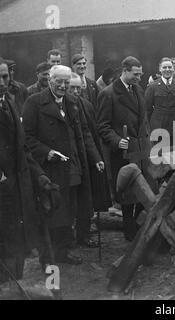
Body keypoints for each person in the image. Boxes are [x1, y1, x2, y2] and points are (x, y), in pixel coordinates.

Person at [23, 65, 103, 264]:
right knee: (53, 209)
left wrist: (96, 158)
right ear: (49, 80)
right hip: (49, 167)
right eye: (58, 81)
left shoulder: (73, 102)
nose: (63, 85)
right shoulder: (34, 102)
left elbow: (84, 133)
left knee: (70, 208)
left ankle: (64, 250)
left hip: (73, 164)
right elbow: (26, 137)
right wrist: (46, 152)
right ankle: (50, 255)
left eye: (66, 82)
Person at [0, 59, 53, 283]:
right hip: (3, 189)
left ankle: (14, 285)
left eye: (5, 76)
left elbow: (23, 147)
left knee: (16, 245)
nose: (4, 82)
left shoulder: (9, 102)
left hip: (18, 188)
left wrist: (39, 175)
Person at [97, 56, 153, 241]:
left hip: (141, 150)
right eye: (135, 74)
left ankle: (139, 228)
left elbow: (143, 119)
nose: (139, 77)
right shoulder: (108, 94)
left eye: (140, 74)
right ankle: (130, 233)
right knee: (128, 195)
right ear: (125, 71)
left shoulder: (138, 89)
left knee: (145, 190)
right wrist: (116, 140)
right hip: (123, 153)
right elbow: (102, 126)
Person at [68, 73, 111, 247]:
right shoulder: (61, 107)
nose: (76, 91)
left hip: (86, 159)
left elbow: (90, 134)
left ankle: (83, 234)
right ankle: (67, 237)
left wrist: (96, 158)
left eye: (79, 88)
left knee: (86, 198)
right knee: (70, 200)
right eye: (73, 88)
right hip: (69, 160)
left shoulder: (86, 105)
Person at [145, 57, 175, 143]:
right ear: (160, 69)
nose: (167, 70)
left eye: (170, 67)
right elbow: (147, 110)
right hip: (159, 128)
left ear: (173, 69)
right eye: (164, 67)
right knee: (160, 155)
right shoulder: (152, 87)